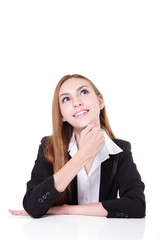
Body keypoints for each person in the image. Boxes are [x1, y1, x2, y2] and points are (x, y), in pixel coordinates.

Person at [9, 74, 146, 218]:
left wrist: (64, 209)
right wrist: (84, 155)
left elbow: (136, 206)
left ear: (100, 102)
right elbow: (32, 205)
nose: (76, 103)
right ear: (62, 115)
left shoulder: (120, 150)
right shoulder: (48, 146)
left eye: (83, 92)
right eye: (66, 99)